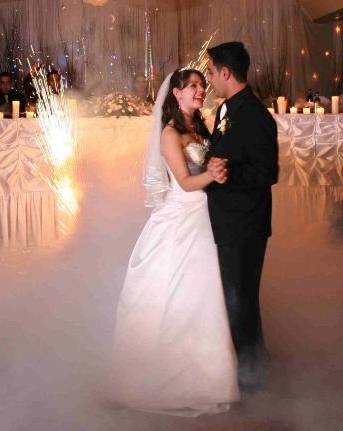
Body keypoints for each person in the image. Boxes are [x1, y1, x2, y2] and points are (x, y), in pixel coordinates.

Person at [109, 69, 239, 416]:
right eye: (193, 86)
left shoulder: (202, 127)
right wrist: (212, 174)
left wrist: (221, 169)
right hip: (184, 216)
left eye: (202, 85)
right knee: (188, 291)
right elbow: (183, 181)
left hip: (206, 213)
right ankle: (174, 380)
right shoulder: (170, 133)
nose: (200, 90)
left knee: (205, 294)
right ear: (177, 94)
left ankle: (209, 378)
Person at [205, 42, 279, 389]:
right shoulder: (226, 108)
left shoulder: (255, 115)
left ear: (225, 73)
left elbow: (268, 172)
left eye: (210, 72)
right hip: (228, 221)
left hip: (245, 224)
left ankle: (253, 380)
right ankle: (254, 367)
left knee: (240, 302)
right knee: (236, 300)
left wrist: (225, 173)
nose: (208, 79)